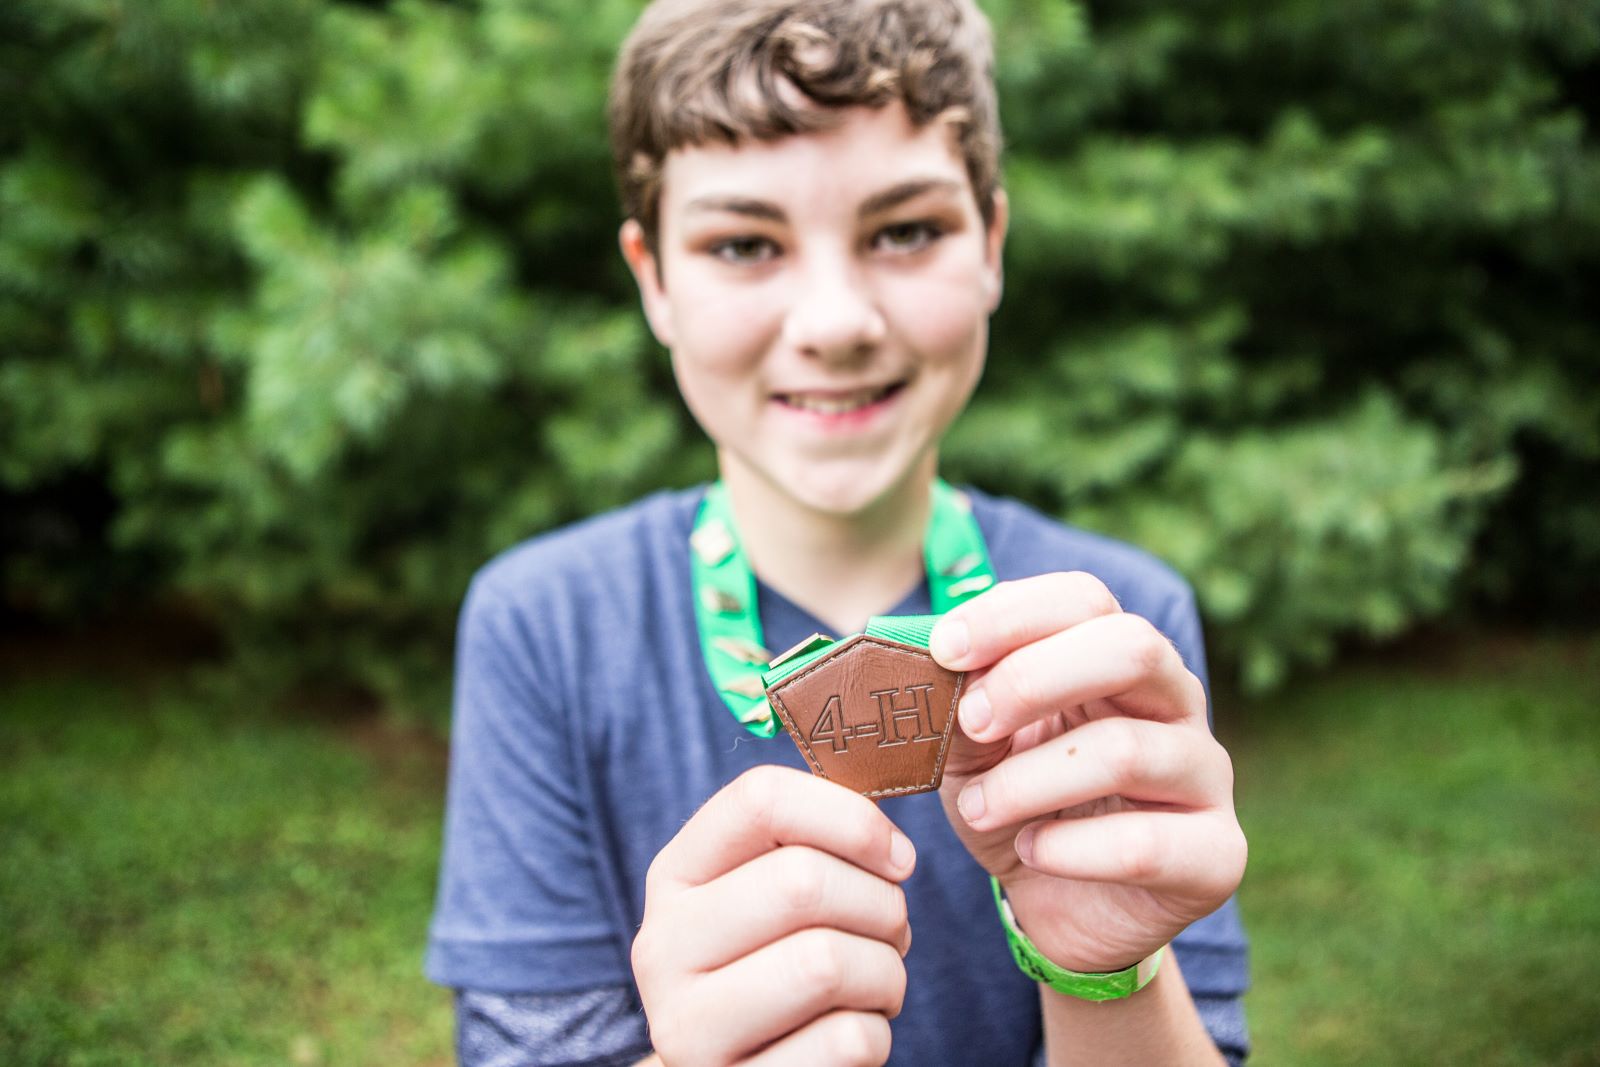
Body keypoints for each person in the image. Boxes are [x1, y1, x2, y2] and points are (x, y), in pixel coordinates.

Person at [424, 0, 1251, 1062]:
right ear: (654, 279)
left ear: (991, 245)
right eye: (743, 243)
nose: (835, 322)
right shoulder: (543, 624)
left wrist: (1106, 964)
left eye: (904, 231)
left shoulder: (1116, 634)